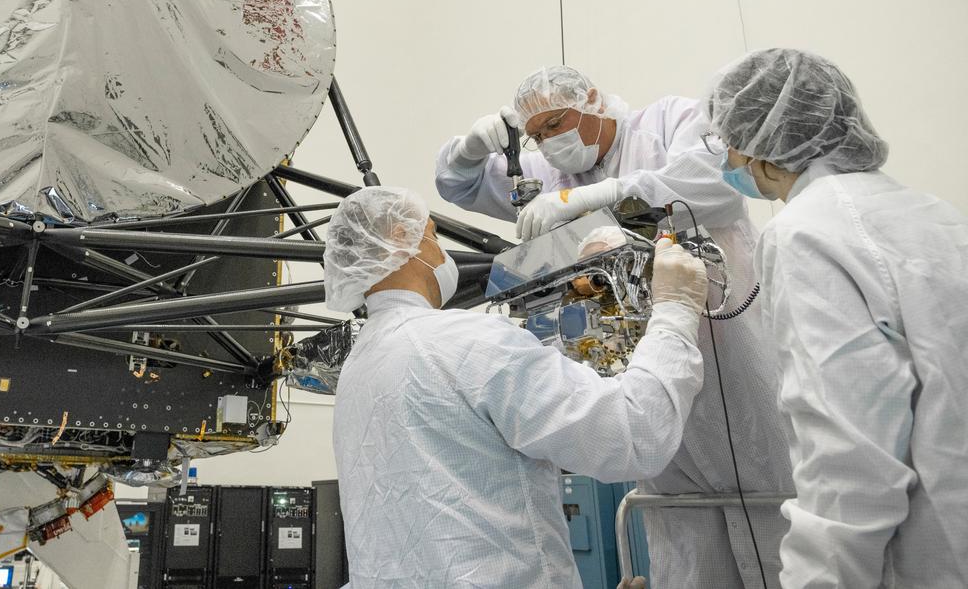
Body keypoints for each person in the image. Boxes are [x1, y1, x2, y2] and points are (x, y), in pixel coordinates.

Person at [436, 65, 793, 588]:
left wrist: (605, 195)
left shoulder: (667, 122)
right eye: (535, 135)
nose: (546, 143)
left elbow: (716, 187)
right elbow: (458, 184)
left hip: (728, 340)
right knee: (675, 503)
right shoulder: (551, 174)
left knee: (766, 478)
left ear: (593, 100)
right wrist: (468, 148)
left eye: (555, 124)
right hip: (644, 360)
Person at [326, 185, 710, 588]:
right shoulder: (462, 340)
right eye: (434, 235)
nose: (442, 251)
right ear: (404, 238)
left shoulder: (358, 370)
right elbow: (633, 433)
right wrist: (675, 310)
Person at [707, 48, 968, 588]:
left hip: (931, 549)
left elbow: (847, 454)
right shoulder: (933, 213)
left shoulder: (807, 232)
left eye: (728, 140)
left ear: (762, 144)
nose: (726, 158)